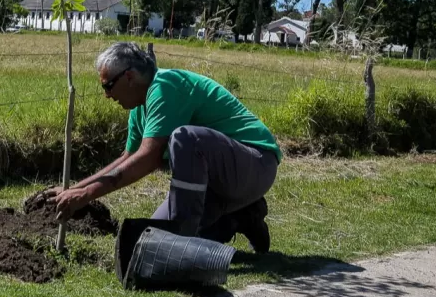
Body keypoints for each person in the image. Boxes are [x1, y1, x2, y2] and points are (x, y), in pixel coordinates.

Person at [50, 41, 281, 252]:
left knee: (186, 139)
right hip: (219, 181)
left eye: (108, 86)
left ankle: (185, 241)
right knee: (154, 239)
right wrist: (75, 189)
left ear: (128, 77)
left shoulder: (164, 87)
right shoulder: (139, 108)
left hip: (257, 162)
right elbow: (128, 157)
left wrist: (87, 194)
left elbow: (147, 159)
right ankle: (242, 215)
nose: (107, 96)